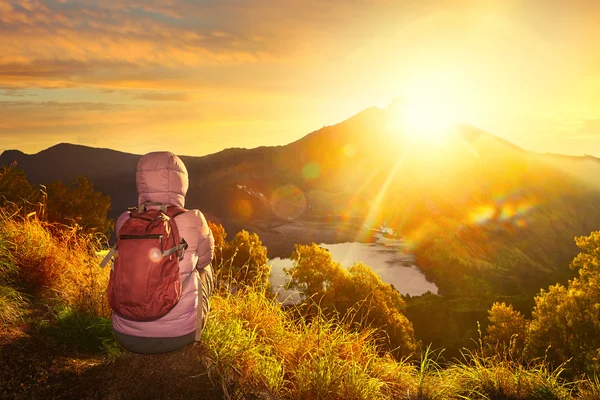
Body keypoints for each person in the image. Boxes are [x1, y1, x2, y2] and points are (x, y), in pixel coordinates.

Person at [112, 151, 214, 354]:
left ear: (141, 181)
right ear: (181, 182)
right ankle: (193, 326)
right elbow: (206, 259)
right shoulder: (194, 219)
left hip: (125, 334)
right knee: (205, 266)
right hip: (180, 334)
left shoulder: (125, 220)